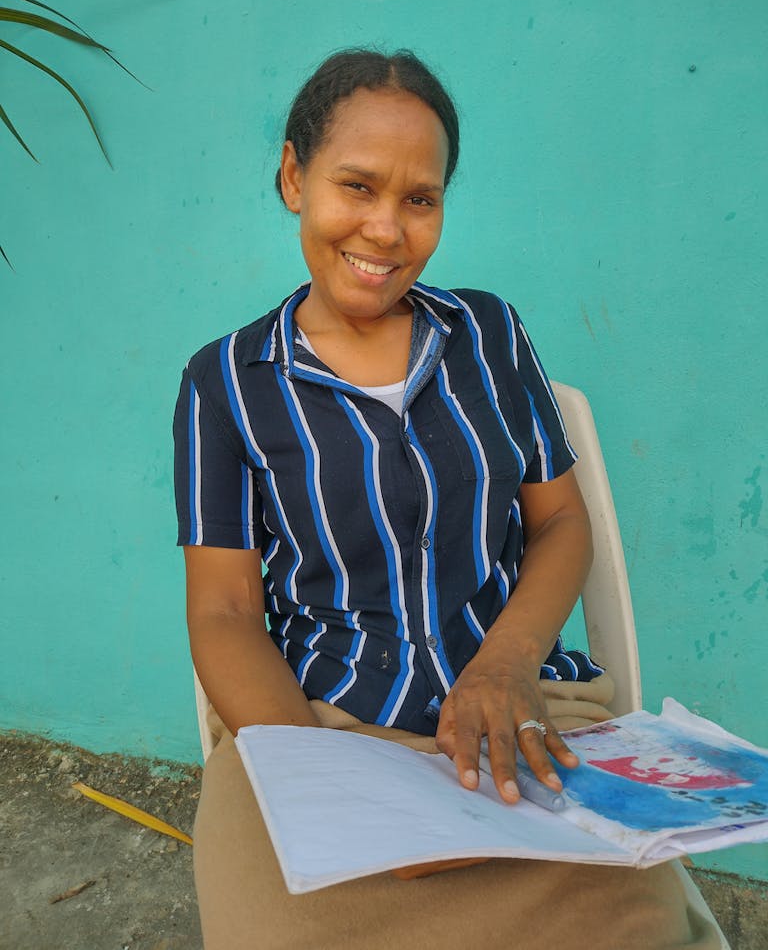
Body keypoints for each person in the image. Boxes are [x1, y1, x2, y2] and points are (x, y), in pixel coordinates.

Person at [173, 48, 720, 949]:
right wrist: (340, 790)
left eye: (419, 199)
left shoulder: (490, 334)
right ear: (292, 176)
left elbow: (561, 522)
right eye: (357, 185)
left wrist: (505, 666)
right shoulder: (225, 383)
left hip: (523, 720)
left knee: (632, 922)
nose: (385, 229)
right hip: (323, 723)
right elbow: (226, 611)